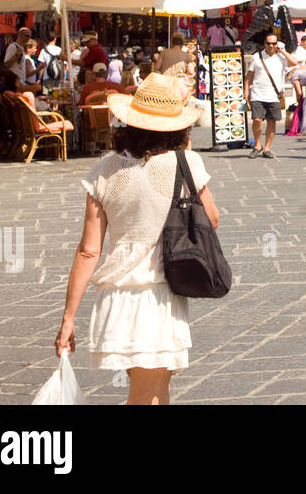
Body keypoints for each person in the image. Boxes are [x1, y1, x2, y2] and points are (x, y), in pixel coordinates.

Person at [54, 73, 221, 405]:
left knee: (156, 390)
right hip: (159, 292)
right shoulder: (185, 163)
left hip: (119, 295)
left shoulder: (104, 171)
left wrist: (68, 318)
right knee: (148, 394)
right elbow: (211, 219)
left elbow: (89, 252)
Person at [245, 34, 296, 159]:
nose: (271, 46)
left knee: (271, 122)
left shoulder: (281, 58)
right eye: (269, 43)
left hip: (274, 95)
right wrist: (246, 91)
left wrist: (282, 51)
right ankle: (257, 145)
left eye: (274, 43)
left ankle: (267, 147)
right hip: (258, 93)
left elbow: (294, 62)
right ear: (264, 44)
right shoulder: (257, 57)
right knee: (257, 119)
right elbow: (249, 76)